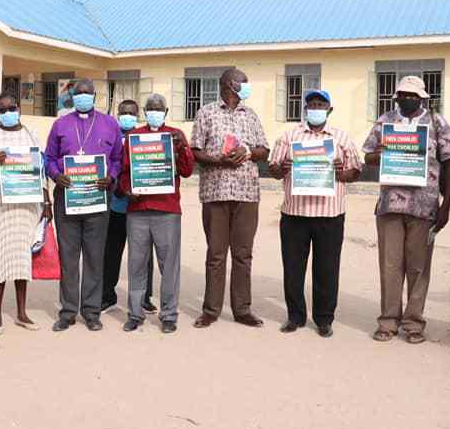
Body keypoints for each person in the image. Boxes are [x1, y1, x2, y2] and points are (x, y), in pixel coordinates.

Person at [362, 75, 450, 344]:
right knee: (390, 265)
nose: (408, 99)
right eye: (403, 94)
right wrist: (379, 153)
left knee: (418, 268)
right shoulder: (385, 121)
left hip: (424, 207)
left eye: (413, 95)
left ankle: (414, 323)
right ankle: (388, 321)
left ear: (423, 98)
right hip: (389, 205)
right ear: (396, 97)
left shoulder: (436, 122)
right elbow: (368, 156)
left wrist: (446, 206)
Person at [267, 90, 361, 337]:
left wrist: (342, 173)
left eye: (321, 104)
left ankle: (324, 319)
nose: (316, 108)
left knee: (327, 269)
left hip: (330, 214)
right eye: (311, 104)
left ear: (329, 110)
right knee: (293, 268)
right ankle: (295, 316)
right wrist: (282, 167)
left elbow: (356, 171)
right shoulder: (289, 137)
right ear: (305, 109)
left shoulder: (341, 138)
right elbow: (273, 168)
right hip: (294, 213)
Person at [190, 67, 269, 329]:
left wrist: (247, 150)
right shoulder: (206, 113)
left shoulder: (251, 115)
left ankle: (242, 309)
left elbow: (263, 150)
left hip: (247, 193)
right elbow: (195, 151)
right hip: (215, 192)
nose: (246, 86)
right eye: (242, 82)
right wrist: (217, 159)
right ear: (228, 84)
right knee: (216, 254)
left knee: (243, 254)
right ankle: (211, 310)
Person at [45, 78, 123, 332]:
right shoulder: (60, 124)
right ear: (72, 98)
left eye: (87, 93)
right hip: (66, 200)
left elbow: (117, 159)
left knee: (93, 257)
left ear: (94, 96)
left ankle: (91, 311)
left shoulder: (110, 124)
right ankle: (67, 312)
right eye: (78, 93)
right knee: (68, 258)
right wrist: (57, 174)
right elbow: (49, 158)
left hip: (98, 201)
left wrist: (111, 176)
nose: (83, 97)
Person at [117, 93, 195, 333]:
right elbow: (122, 172)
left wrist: (182, 147)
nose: (154, 111)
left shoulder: (175, 135)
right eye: (150, 108)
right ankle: (135, 313)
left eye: (158, 108)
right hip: (138, 210)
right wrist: (126, 190)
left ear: (166, 111)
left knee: (169, 265)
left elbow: (187, 170)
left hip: (167, 210)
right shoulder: (133, 137)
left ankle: (169, 315)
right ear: (144, 111)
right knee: (136, 264)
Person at [0, 91, 52, 335]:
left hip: (25, 205)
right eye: (2, 109)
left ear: (19, 108)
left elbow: (41, 169)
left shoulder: (31, 134)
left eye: (11, 108)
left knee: (22, 258)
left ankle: (22, 313)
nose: (8, 113)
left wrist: (47, 201)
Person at [102, 99, 155, 313]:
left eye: (131, 112)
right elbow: (107, 165)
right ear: (117, 114)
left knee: (143, 256)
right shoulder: (111, 137)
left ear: (138, 114)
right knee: (111, 253)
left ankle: (144, 298)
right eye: (123, 112)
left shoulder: (146, 137)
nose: (127, 116)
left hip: (141, 207)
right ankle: (107, 295)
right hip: (116, 207)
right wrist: (119, 189)